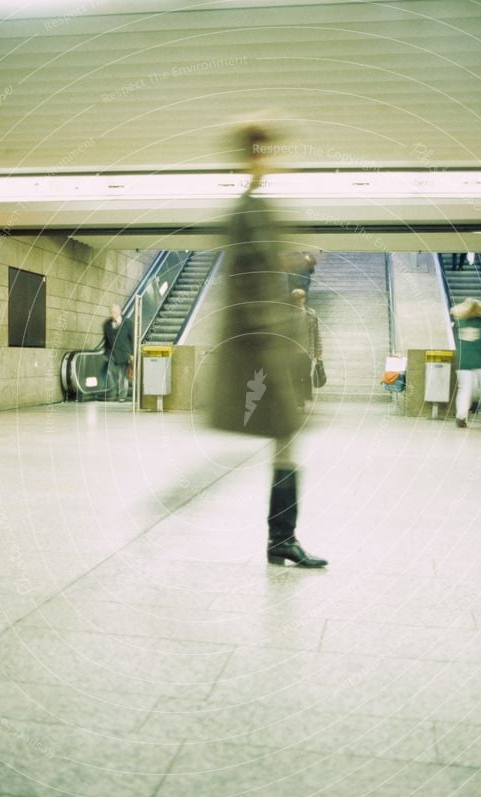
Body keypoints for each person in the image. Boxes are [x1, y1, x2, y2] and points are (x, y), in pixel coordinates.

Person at [208, 122, 327, 568]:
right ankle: (281, 540)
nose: (276, 158)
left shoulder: (254, 207)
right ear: (255, 155)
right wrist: (277, 345)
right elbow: (250, 287)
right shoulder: (250, 211)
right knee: (284, 436)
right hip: (260, 347)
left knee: (285, 439)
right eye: (268, 151)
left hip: (264, 342)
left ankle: (282, 539)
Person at [450, 298, 481, 427]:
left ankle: (461, 417)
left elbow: (455, 340)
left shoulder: (459, 323)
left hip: (463, 362)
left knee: (464, 389)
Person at [290, 288, 323, 409]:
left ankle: (306, 395)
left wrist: (318, 351)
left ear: (304, 299)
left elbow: (316, 333)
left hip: (306, 351)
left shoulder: (311, 313)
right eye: (296, 299)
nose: (298, 301)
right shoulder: (288, 314)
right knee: (295, 377)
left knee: (305, 375)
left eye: (300, 298)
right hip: (292, 352)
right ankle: (299, 401)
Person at [103, 304, 134, 402]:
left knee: (122, 376)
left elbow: (132, 339)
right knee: (114, 374)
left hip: (124, 354)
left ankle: (122, 396)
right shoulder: (107, 324)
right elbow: (106, 340)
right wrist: (106, 354)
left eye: (115, 312)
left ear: (120, 312)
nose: (113, 314)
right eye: (111, 312)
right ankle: (113, 393)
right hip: (112, 355)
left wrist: (132, 353)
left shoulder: (128, 323)